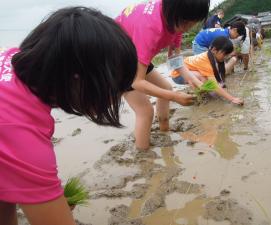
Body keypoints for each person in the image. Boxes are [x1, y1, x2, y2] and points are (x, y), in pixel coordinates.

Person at [0, 7, 137, 225]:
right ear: (77, 79)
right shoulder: (21, 133)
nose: (118, 95)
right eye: (115, 85)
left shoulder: (12, 57)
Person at [116, 0, 210, 150]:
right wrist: (175, 97)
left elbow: (175, 60)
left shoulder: (176, 22)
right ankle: (143, 155)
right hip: (116, 59)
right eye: (185, 23)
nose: (186, 29)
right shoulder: (150, 27)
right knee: (145, 111)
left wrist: (192, 79)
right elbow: (137, 82)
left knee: (165, 87)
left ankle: (164, 129)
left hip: (133, 53)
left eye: (192, 24)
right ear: (172, 11)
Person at [171, 36, 243, 105]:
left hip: (189, 71)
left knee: (207, 79)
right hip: (178, 75)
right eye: (224, 54)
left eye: (227, 55)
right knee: (202, 78)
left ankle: (205, 93)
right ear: (214, 50)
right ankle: (199, 97)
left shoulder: (211, 56)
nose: (225, 57)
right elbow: (214, 85)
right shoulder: (206, 61)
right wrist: (232, 98)